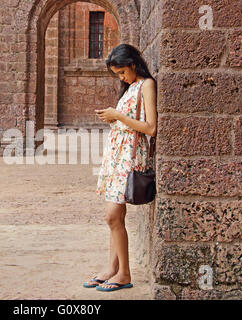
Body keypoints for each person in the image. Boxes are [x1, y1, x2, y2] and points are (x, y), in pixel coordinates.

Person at [84, 44, 157, 292]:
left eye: (122, 72)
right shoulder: (130, 88)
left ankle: (124, 273)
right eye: (117, 74)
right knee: (116, 217)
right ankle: (112, 269)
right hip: (117, 156)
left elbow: (150, 127)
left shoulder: (146, 85)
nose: (122, 77)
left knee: (112, 215)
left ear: (134, 64)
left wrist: (117, 115)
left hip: (130, 156)